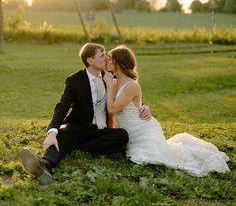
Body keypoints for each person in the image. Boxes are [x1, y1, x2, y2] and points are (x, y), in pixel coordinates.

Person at [20, 43, 151, 185]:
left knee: (122, 135)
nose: (106, 58)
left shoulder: (110, 77)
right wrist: (52, 132)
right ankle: (44, 165)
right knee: (61, 135)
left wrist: (143, 106)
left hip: (99, 130)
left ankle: (76, 147)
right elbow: (62, 107)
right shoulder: (75, 80)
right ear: (90, 61)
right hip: (77, 126)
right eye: (102, 55)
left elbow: (127, 94)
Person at [103, 45, 230, 177]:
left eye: (110, 58)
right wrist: (112, 85)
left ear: (119, 63)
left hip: (144, 132)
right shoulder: (116, 82)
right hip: (131, 132)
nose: (107, 60)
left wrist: (109, 85)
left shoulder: (132, 85)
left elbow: (112, 109)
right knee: (139, 156)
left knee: (146, 157)